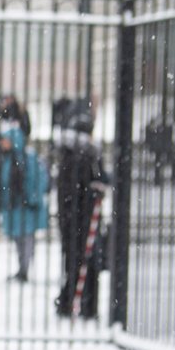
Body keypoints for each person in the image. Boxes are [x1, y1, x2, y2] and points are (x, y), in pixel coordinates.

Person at [53, 107, 106, 318]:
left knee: (75, 261)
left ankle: (73, 300)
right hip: (80, 220)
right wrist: (95, 190)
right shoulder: (83, 157)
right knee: (85, 262)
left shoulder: (75, 155)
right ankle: (82, 303)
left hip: (71, 220)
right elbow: (82, 190)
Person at [0, 107, 49, 284]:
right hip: (15, 205)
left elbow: (37, 179)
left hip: (25, 206)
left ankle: (24, 269)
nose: (2, 144)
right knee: (19, 238)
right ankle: (22, 268)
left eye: (5, 140)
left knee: (25, 238)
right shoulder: (10, 158)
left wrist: (32, 198)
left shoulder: (26, 158)